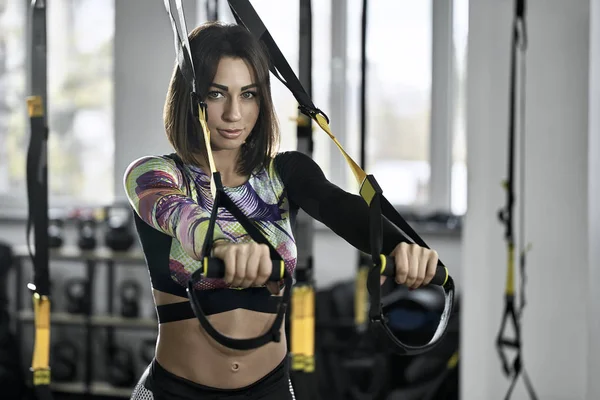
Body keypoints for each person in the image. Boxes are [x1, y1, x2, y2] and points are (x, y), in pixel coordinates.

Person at [123, 21, 440, 400]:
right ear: (192, 99)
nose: (234, 114)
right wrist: (223, 247)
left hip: (269, 390)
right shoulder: (155, 173)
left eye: (249, 95)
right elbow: (181, 216)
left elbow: (339, 206)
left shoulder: (285, 172)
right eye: (217, 94)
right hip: (177, 392)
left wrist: (398, 246)